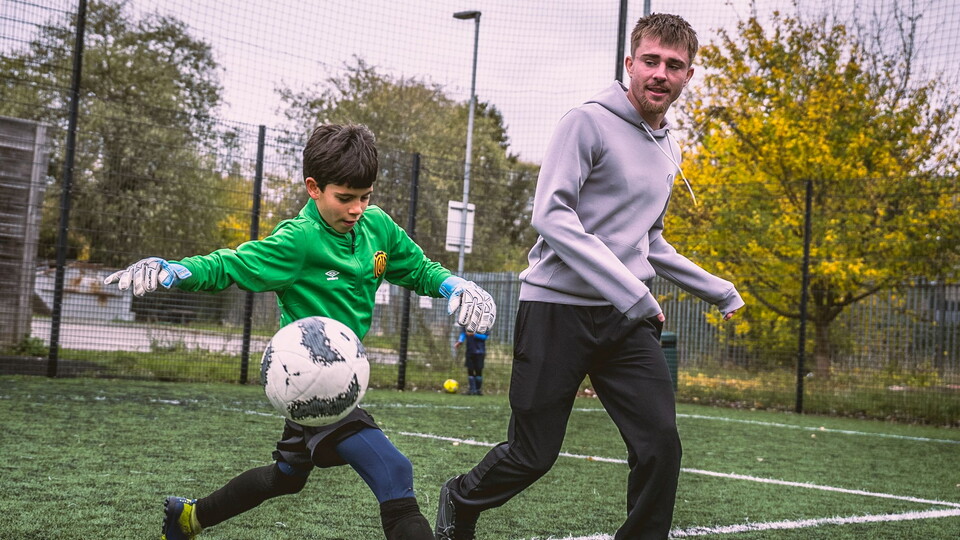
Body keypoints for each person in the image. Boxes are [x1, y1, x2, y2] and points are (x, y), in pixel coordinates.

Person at [103, 123, 496, 540]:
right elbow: (230, 264)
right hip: (310, 381)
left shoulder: (376, 227)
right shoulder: (298, 240)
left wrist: (456, 285)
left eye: (365, 197)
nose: (357, 208)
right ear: (313, 187)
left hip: (337, 378)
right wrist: (175, 270)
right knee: (395, 471)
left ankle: (189, 518)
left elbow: (416, 268)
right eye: (344, 198)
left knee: (288, 476)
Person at [434, 13, 743, 540]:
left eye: (674, 65)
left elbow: (651, 240)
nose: (660, 74)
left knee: (659, 444)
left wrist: (720, 290)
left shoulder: (671, 148)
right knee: (532, 455)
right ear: (630, 63)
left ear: (688, 75)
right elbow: (552, 217)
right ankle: (461, 500)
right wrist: (633, 293)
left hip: (624, 323)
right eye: (650, 61)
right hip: (556, 309)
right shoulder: (586, 122)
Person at [454, 327, 488, 395]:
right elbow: (463, 334)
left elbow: (485, 336)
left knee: (478, 371)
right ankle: (472, 390)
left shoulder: (483, 324)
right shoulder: (467, 324)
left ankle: (478, 390)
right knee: (470, 370)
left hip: (480, 352)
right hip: (470, 351)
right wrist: (460, 341)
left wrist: (474, 334)